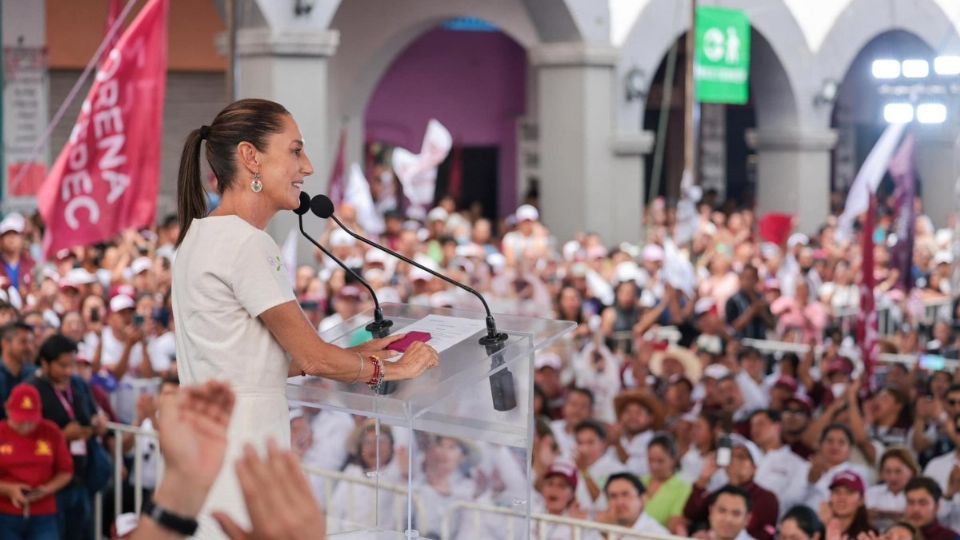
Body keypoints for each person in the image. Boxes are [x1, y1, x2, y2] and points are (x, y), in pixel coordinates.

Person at [171, 98, 439, 537]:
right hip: (245, 455)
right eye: (295, 151)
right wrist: (390, 370)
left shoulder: (198, 238)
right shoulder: (247, 244)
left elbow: (256, 359)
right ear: (250, 157)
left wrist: (359, 349)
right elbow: (313, 360)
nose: (308, 167)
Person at [30, 334, 103, 540]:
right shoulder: (31, 391)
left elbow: (90, 414)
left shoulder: (77, 384)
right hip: (49, 485)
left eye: (72, 365)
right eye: (63, 366)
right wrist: (62, 436)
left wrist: (96, 424)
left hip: (80, 477)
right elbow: (25, 440)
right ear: (45, 363)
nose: (69, 371)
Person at [0, 384, 73, 540]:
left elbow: (66, 470)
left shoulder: (51, 431)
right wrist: (8, 489)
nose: (26, 426)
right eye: (20, 421)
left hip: (44, 513)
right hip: (5, 513)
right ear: (7, 410)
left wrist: (46, 489)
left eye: (30, 421)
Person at [681, 435, 779, 540]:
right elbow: (690, 514)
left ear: (754, 467)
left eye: (741, 457)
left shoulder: (767, 499)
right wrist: (703, 478)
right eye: (731, 456)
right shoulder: (719, 492)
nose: (734, 461)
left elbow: (767, 534)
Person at [749, 409, 810, 515]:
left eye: (761, 424)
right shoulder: (746, 457)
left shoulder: (798, 464)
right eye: (752, 425)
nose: (755, 429)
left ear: (777, 427)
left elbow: (793, 500)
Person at [594, 472, 669, 534]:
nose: (620, 502)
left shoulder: (656, 534)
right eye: (613, 496)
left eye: (625, 494)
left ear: (642, 499)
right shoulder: (600, 527)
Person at [642, 433, 692, 527]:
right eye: (650, 460)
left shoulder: (683, 488)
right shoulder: (640, 481)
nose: (654, 466)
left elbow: (673, 523)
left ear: (673, 459)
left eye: (660, 461)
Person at [865, 448, 919, 531]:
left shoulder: (919, 494)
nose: (892, 477)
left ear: (911, 471)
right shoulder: (871, 492)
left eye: (898, 471)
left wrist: (882, 514)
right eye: (887, 471)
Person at [818, 471, 875, 539]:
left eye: (849, 492)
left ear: (861, 500)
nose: (842, 498)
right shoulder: (817, 531)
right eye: (836, 491)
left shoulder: (869, 535)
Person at [0, 322, 35, 417]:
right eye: (23, 342)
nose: (29, 347)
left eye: (31, 342)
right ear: (5, 343)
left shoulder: (35, 374)